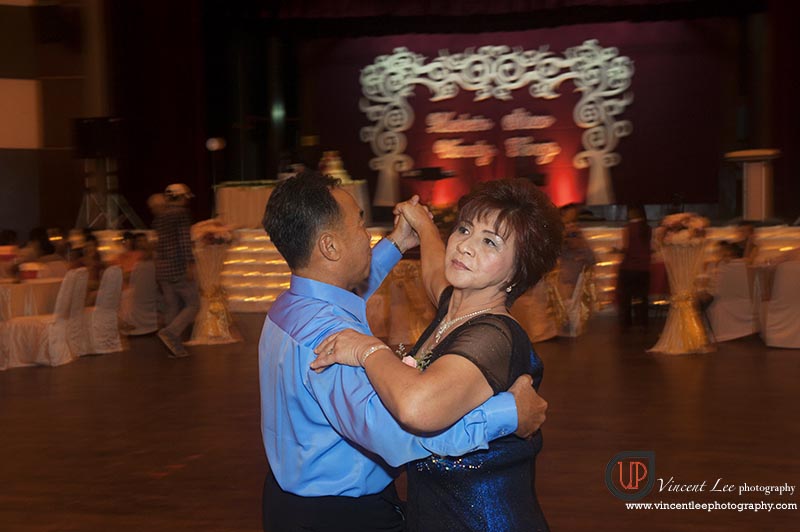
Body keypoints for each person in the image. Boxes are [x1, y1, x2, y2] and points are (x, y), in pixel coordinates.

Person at [260, 171, 548, 532]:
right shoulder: (332, 339)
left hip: (301, 501)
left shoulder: (292, 306)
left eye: (490, 241)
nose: (368, 237)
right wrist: (508, 412)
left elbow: (355, 290)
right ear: (330, 247)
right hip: (340, 514)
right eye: (360, 227)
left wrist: (402, 240)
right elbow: (396, 433)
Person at [153, 183, 199, 358]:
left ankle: (173, 347)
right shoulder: (180, 214)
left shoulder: (160, 216)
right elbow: (184, 241)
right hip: (178, 267)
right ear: (180, 197)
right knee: (194, 304)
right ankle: (170, 333)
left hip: (163, 268)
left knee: (171, 306)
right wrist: (189, 264)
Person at [616, 204, 652, 329]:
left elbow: (626, 249)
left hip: (628, 267)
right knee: (642, 297)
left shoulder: (628, 228)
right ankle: (643, 322)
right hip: (644, 268)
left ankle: (627, 324)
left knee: (626, 298)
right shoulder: (648, 229)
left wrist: (616, 251)